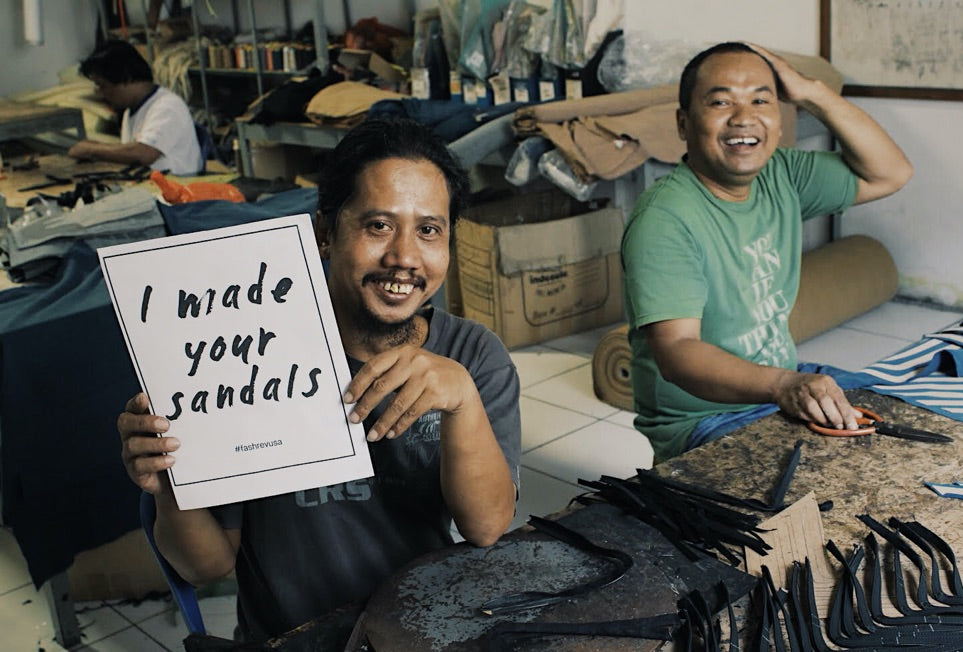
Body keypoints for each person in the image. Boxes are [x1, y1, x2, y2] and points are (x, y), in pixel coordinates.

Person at [117, 118, 521, 642]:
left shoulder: (473, 356)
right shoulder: (245, 356)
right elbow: (206, 566)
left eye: (428, 229)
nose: (404, 256)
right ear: (325, 233)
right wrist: (168, 478)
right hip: (288, 637)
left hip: (418, 632)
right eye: (378, 225)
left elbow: (487, 526)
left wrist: (463, 401)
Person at [621, 42, 913, 463]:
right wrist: (782, 384)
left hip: (771, 390)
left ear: (780, 119)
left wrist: (812, 92)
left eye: (761, 100)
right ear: (684, 123)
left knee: (904, 422)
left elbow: (892, 172)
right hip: (705, 417)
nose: (743, 117)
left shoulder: (782, 174)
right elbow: (678, 352)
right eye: (721, 101)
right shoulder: (664, 219)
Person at [68, 39, 202, 175]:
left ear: (127, 78)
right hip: (153, 184)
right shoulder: (131, 109)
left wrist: (93, 150)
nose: (101, 93)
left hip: (180, 187)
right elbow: (132, 151)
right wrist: (95, 147)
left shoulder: (167, 106)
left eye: (103, 86)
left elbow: (144, 153)